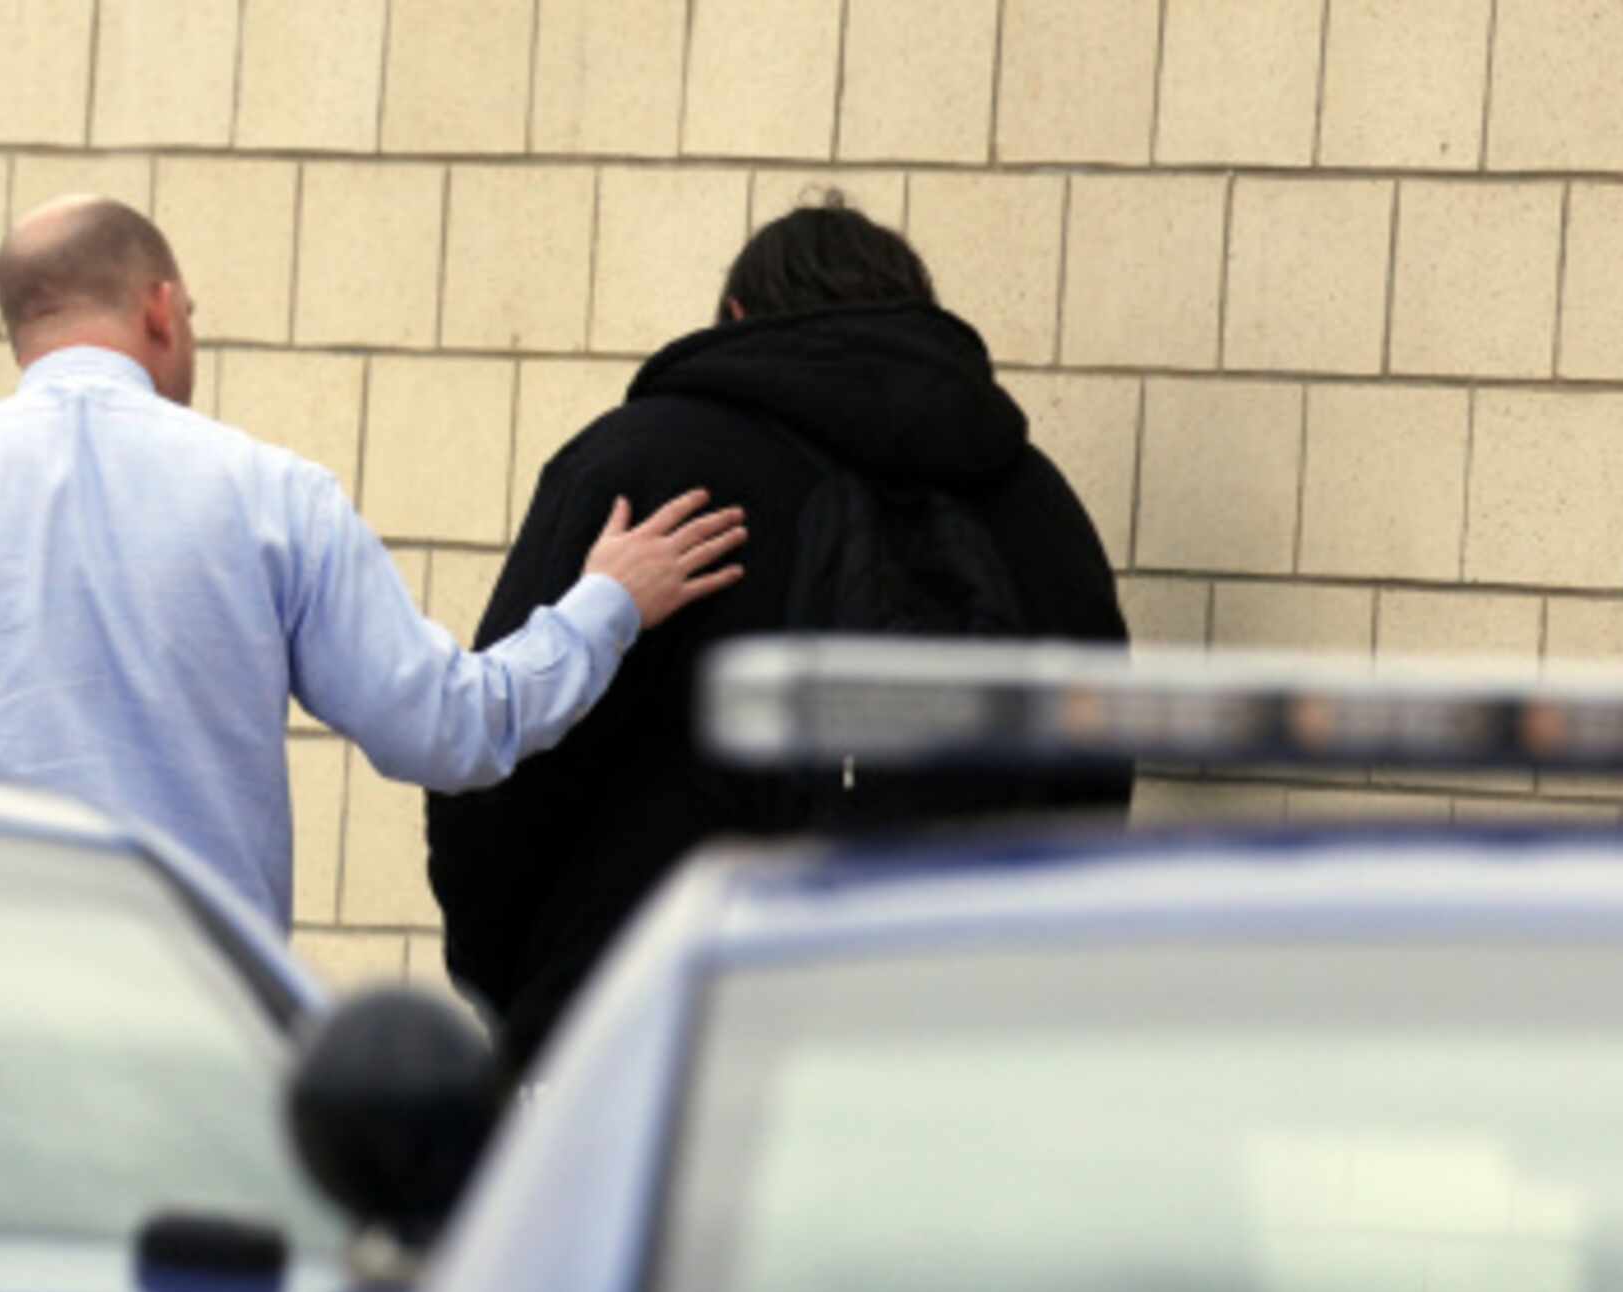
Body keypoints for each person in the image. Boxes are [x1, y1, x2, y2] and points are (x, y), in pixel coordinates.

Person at [0, 196, 744, 934]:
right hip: (191, 1011)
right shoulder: (271, 498)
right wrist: (606, 603)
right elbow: (448, 729)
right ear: (160, 309)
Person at [426, 196, 1132, 1071]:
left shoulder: (645, 469)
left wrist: (517, 985)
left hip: (659, 1024)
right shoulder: (1031, 500)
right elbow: (1095, 769)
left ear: (733, 320)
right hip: (957, 1033)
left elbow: (502, 764)